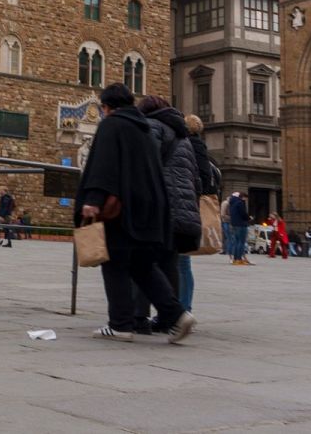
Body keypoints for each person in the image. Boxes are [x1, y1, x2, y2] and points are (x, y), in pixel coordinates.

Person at [75, 83, 196, 344]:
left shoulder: (112, 125)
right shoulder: (143, 127)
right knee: (142, 266)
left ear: (107, 107)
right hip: (150, 210)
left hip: (121, 210)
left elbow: (104, 164)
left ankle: (119, 325)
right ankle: (177, 315)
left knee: (115, 262)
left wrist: (93, 198)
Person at [133, 96, 201, 329]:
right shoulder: (184, 138)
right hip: (182, 209)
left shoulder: (152, 127)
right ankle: (168, 318)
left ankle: (138, 317)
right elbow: (195, 179)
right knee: (169, 262)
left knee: (142, 260)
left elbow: (145, 164)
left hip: (159, 206)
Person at [182, 113, 216, 312]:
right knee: (182, 262)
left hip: (187, 206)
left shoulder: (187, 145)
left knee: (181, 261)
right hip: (191, 206)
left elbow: (201, 177)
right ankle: (184, 308)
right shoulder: (199, 145)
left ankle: (183, 309)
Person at [227, 192, 252, 265]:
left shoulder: (232, 202)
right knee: (241, 242)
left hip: (234, 224)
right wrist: (248, 218)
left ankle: (235, 259)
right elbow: (243, 213)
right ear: (243, 197)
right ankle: (239, 259)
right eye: (246, 198)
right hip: (241, 224)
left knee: (237, 242)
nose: (246, 200)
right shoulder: (241, 202)